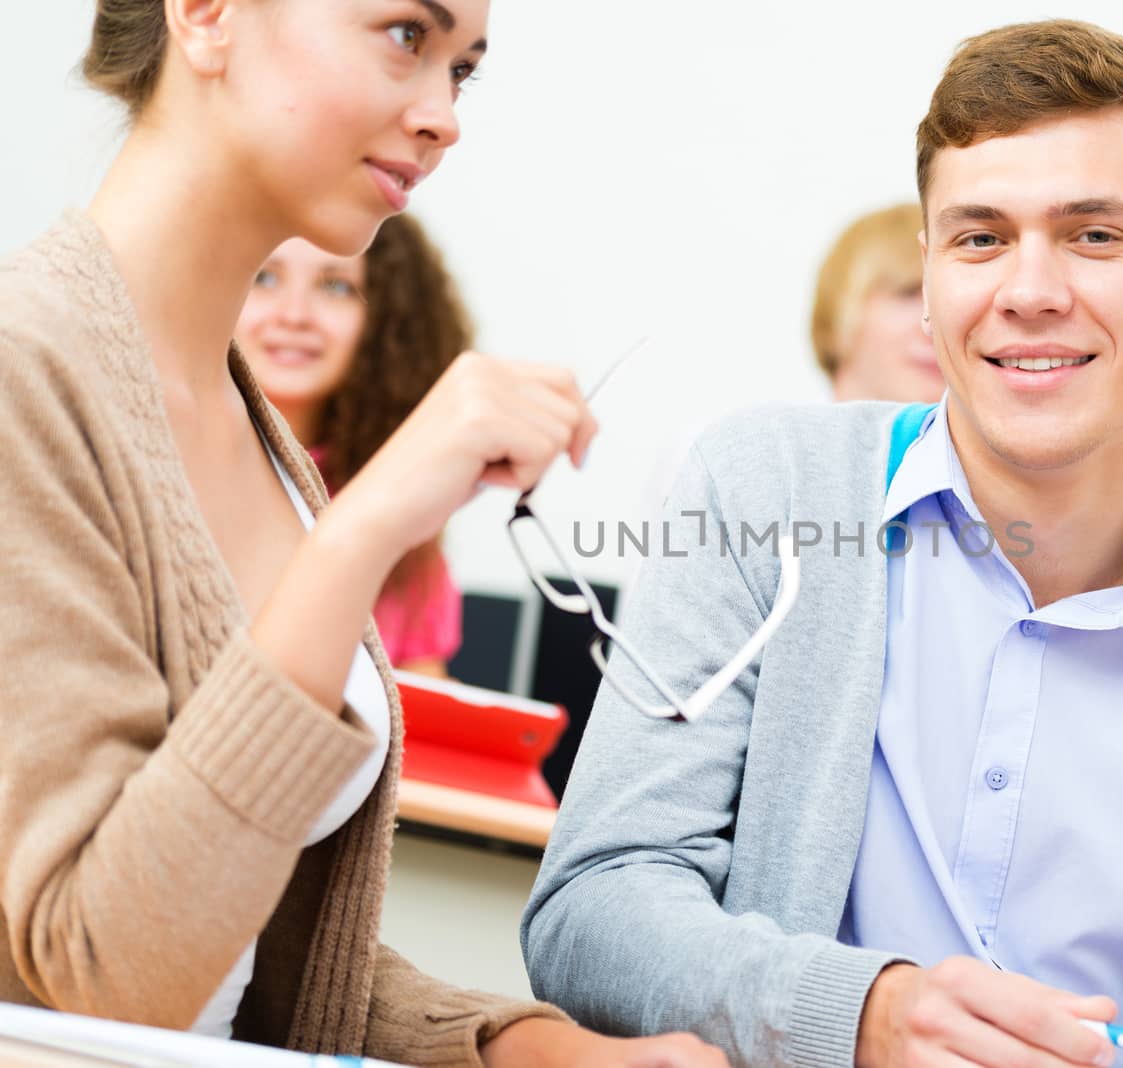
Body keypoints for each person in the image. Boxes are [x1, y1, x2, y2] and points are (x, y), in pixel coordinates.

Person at [524, 19, 1123, 1068]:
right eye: (979, 237)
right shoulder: (764, 490)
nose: (1027, 290)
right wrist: (859, 1015)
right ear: (932, 270)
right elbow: (592, 910)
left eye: (1094, 235)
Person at [0, 2, 724, 1065]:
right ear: (205, 16)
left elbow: (257, 956)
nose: (444, 117)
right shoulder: (26, 378)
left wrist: (531, 1050)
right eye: (404, 36)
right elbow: (110, 976)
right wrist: (366, 529)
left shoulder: (254, 437)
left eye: (463, 70)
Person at [237, 217, 469, 677]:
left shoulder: (402, 513)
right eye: (264, 278)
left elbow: (426, 722)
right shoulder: (165, 470)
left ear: (386, 324)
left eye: (336, 287)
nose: (294, 314)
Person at [811, 203, 945, 404]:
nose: (936, 322)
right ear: (837, 312)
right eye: (907, 293)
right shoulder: (769, 432)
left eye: (946, 299)